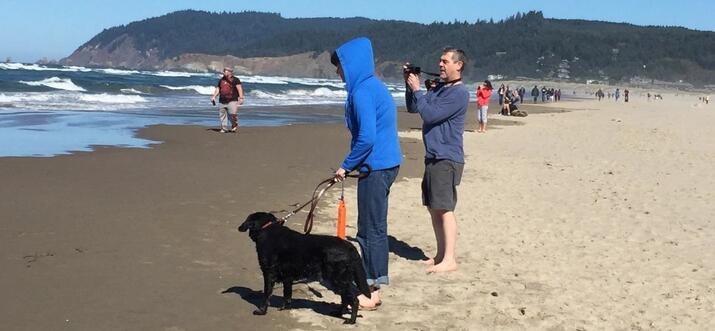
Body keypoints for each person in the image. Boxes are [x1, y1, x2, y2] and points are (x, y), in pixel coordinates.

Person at [331, 37, 402, 309]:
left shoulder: (362, 92)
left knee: (369, 230)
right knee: (375, 228)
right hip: (385, 163)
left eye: (341, 67)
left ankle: (371, 290)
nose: (338, 72)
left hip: (377, 166)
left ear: (352, 65)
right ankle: (374, 281)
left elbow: (367, 138)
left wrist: (345, 166)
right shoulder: (372, 87)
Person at [405, 47, 469, 273]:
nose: (440, 65)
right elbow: (414, 108)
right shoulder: (441, 89)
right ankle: (441, 254)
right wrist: (410, 84)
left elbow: (430, 114)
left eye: (445, 61)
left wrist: (418, 91)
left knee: (444, 208)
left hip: (446, 156)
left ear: (458, 65)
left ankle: (450, 259)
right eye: (439, 61)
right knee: (433, 207)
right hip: (432, 155)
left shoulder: (459, 93)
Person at [210, 67, 244, 133]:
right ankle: (224, 128)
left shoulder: (235, 79)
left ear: (230, 72)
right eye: (224, 71)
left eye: (225, 71)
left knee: (232, 114)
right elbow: (218, 89)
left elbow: (239, 88)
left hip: (232, 100)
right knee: (222, 115)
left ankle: (234, 124)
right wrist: (214, 96)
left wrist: (241, 98)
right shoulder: (221, 80)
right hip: (222, 100)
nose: (224, 72)